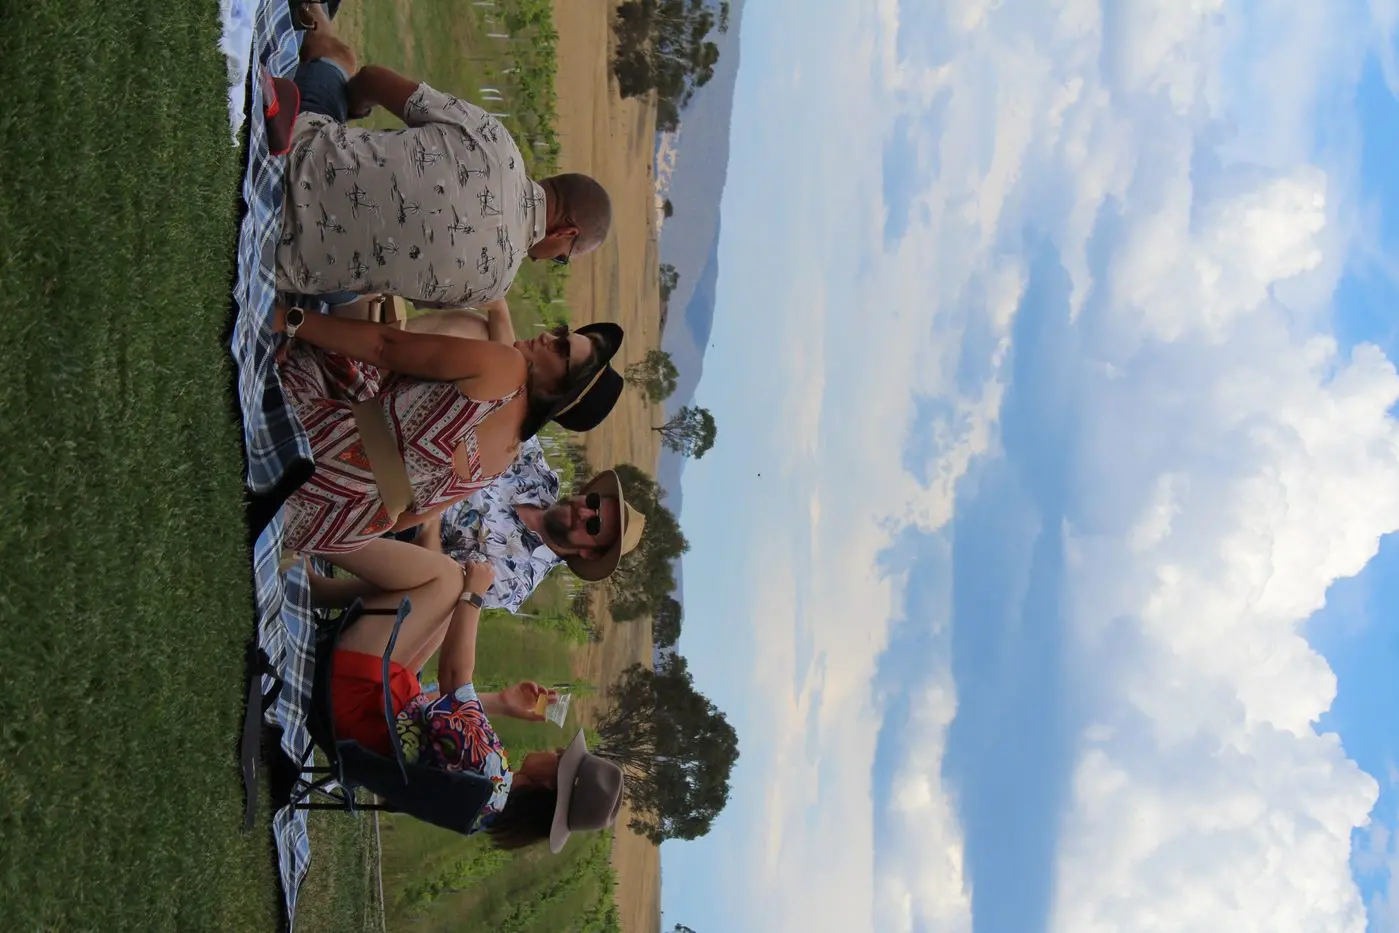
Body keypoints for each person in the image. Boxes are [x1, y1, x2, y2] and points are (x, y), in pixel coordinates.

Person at [275, 4, 612, 312]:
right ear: (565, 232)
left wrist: (354, 106)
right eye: (562, 259)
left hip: (283, 156)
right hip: (275, 260)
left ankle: (311, 13)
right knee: (349, 288)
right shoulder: (492, 287)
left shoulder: (494, 139)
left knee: (342, 59)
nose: (545, 262)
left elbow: (371, 79)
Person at [324, 544, 624, 849]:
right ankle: (322, 580)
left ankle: (318, 537)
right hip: (367, 725)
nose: (555, 750)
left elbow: (453, 678)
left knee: (448, 579)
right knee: (447, 593)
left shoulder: (492, 772)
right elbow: (436, 715)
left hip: (354, 696)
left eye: (560, 757)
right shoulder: (485, 806)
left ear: (550, 783)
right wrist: (502, 704)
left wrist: (475, 595)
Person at [273, 301, 625, 555]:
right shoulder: (506, 457)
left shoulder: (507, 367)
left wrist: (289, 319)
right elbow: (404, 521)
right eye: (562, 333)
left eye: (561, 348)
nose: (548, 336)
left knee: (310, 347)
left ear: (555, 393)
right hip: (328, 529)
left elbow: (385, 347)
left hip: (309, 459)